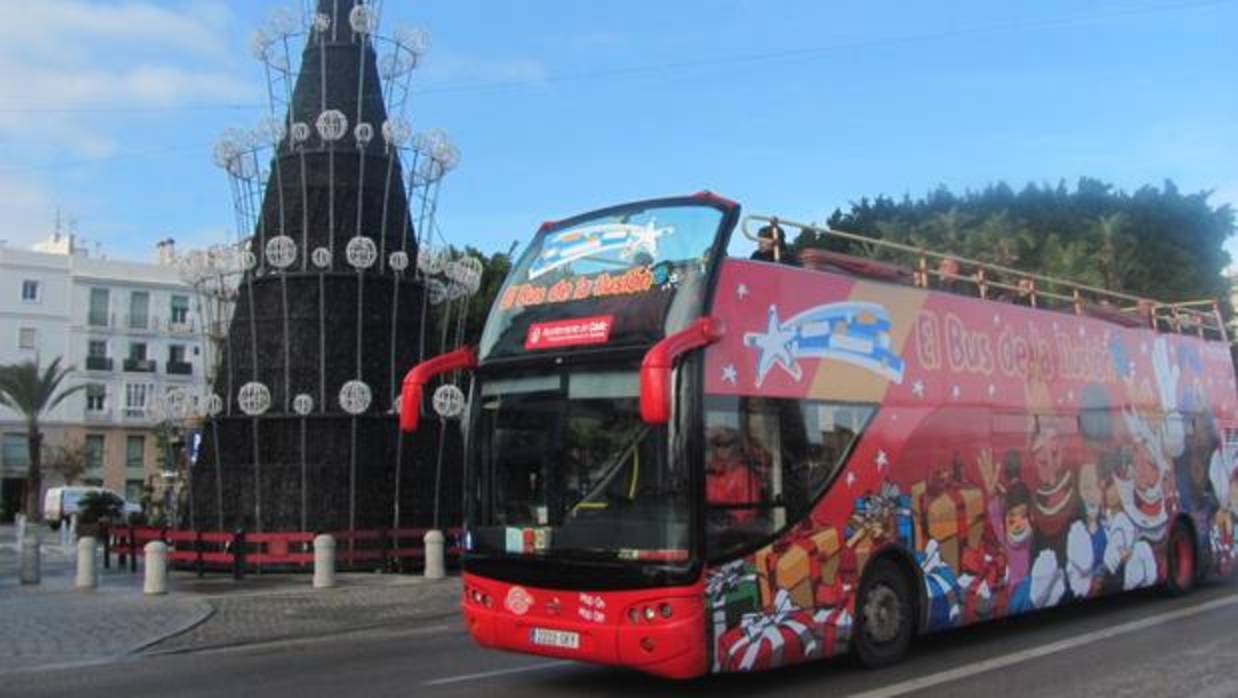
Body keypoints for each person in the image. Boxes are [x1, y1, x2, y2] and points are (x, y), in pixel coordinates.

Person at [705, 426, 766, 524]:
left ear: (735, 447)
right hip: (709, 524)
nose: (722, 448)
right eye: (718, 444)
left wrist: (729, 518)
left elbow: (749, 509)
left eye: (727, 444)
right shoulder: (710, 471)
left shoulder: (744, 474)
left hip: (734, 530)